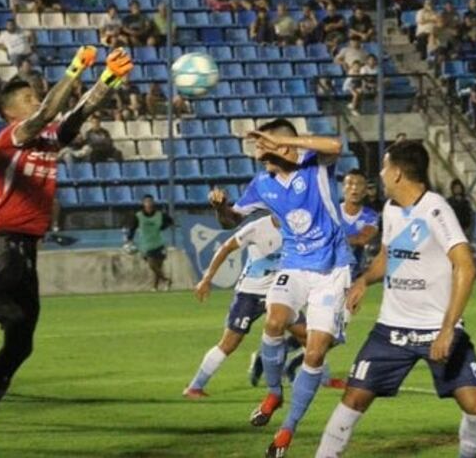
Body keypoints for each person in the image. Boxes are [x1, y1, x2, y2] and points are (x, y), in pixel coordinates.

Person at [0, 45, 134, 457]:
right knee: (9, 274)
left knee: (22, 340)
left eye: (38, 96)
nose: (37, 101)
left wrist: (108, 78)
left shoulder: (48, 141)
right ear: (10, 112)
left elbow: (80, 113)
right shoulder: (10, 138)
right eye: (30, 99)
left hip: (27, 246)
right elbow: (49, 112)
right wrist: (74, 69)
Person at [316, 140, 476, 458]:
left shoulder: (435, 209)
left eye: (383, 167)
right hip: (391, 330)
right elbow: (388, 255)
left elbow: (466, 265)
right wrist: (364, 280)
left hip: (437, 329)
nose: (379, 174)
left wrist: (448, 329)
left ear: (396, 173)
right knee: (353, 399)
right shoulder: (392, 209)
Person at [208, 119, 354, 457]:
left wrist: (280, 140)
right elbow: (232, 219)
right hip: (293, 266)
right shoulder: (262, 184)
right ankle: (274, 392)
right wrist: (220, 209)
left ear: (284, 145)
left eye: (264, 142)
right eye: (258, 143)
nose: (258, 148)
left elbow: (335, 145)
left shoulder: (313, 166)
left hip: (332, 269)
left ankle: (287, 430)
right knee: (274, 322)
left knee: (315, 353)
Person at [184, 216, 311, 397]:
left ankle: (308, 381)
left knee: (307, 335)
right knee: (229, 343)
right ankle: (195, 386)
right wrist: (206, 279)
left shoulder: (300, 227)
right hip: (249, 293)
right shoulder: (257, 228)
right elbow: (226, 247)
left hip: (279, 292)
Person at [126, 195, 174, 291]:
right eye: (146, 202)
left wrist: (163, 227)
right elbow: (132, 228)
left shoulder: (160, 215)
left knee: (157, 267)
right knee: (152, 265)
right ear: (143, 204)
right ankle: (167, 280)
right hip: (145, 245)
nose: (148, 204)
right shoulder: (138, 216)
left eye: (150, 201)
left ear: (153, 203)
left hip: (159, 244)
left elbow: (170, 221)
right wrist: (129, 240)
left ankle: (155, 287)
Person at [338, 170, 379, 278]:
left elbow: (362, 239)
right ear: (343, 188)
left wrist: (334, 239)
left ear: (365, 191)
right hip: (331, 273)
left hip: (356, 275)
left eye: (359, 184)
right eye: (350, 183)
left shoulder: (371, 216)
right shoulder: (332, 212)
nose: (354, 188)